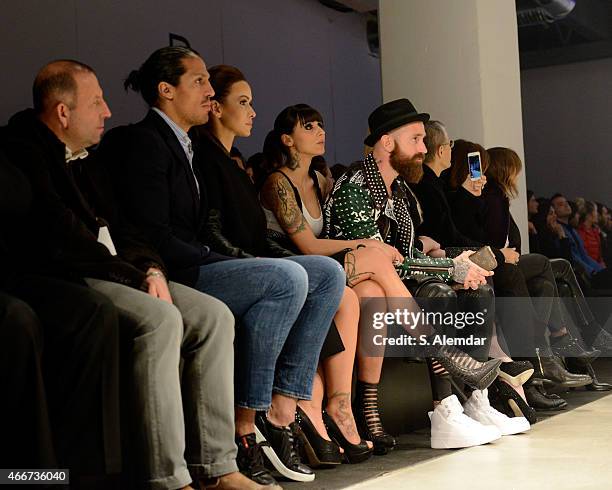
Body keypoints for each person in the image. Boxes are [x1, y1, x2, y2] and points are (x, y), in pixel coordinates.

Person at [100, 47, 346, 485]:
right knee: (287, 277)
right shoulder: (146, 142)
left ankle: (284, 405)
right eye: (199, 81)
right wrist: (224, 259)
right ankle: (248, 423)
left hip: (199, 262)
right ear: (166, 90)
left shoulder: (187, 146)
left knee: (328, 274)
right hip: (176, 268)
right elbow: (156, 234)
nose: (209, 91)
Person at [2, 59, 250, 490]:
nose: (108, 111)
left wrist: (150, 268)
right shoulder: (28, 155)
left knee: (214, 317)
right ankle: (169, 478)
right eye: (96, 102)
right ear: (63, 112)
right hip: (85, 275)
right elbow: (65, 238)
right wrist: (137, 275)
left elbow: (128, 229)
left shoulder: (91, 163)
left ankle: (219, 466)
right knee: (160, 318)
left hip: (127, 269)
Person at [191, 68, 374, 463]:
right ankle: (271, 413)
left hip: (267, 261)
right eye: (243, 102)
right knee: (318, 277)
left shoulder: (241, 169)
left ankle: (295, 401)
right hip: (236, 264)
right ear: (215, 108)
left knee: (333, 276)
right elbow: (214, 229)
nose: (252, 111)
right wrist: (254, 261)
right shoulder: (224, 166)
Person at [324, 98, 513, 448]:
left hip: (391, 282)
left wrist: (462, 263)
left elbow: (406, 253)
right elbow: (382, 261)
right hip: (357, 281)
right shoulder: (355, 186)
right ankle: (444, 410)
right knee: (437, 293)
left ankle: (475, 401)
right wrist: (451, 267)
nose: (424, 149)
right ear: (387, 142)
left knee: (479, 288)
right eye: (416, 140)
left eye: (424, 141)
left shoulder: (399, 189)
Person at [551, 193, 612, 290]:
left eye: (566, 202)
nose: (566, 205)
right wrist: (592, 272)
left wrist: (599, 269)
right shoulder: (559, 231)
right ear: (553, 211)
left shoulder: (572, 230)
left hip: (590, 271)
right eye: (560, 204)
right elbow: (573, 257)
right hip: (583, 276)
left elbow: (584, 255)